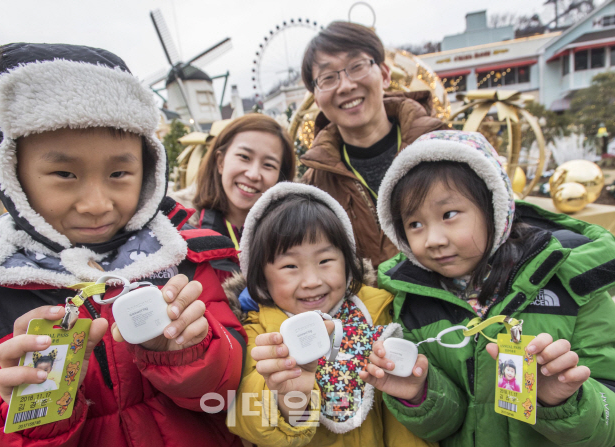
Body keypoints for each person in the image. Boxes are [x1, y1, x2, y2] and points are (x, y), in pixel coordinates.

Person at [0, 43, 246, 446]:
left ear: (149, 168)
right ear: (11, 174)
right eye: (64, 174)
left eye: (120, 172)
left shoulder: (186, 263)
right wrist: (28, 414)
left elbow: (231, 395)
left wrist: (191, 353)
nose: (96, 204)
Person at [362, 130, 615, 446]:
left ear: (495, 208)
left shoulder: (569, 282)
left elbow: (608, 423)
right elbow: (445, 426)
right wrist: (420, 392)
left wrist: (563, 401)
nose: (433, 239)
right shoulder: (411, 301)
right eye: (415, 224)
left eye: (449, 214)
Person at [225, 183, 433, 447]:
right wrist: (288, 399)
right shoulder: (259, 336)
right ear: (261, 277)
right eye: (290, 266)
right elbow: (245, 417)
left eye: (325, 261)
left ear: (348, 263)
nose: (312, 281)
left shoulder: (379, 313)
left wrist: (417, 395)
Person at [299, 21, 446, 269]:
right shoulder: (313, 188)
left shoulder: (443, 147)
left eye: (356, 67)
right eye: (327, 78)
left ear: (385, 74)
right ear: (316, 97)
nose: (346, 86)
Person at [194, 114, 296, 251]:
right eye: (244, 157)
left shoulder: (295, 238)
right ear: (220, 162)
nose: (253, 175)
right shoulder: (179, 235)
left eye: (268, 165)